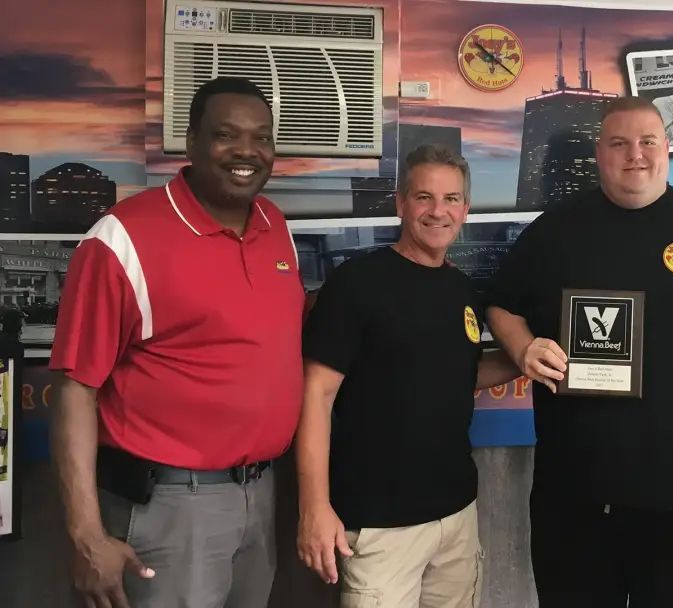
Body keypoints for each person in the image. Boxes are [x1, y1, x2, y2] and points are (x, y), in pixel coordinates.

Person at [486, 96, 673, 607]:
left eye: (648, 141)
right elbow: (500, 304)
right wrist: (522, 348)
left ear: (667, 150)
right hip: (576, 499)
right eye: (619, 143)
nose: (635, 155)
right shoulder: (556, 230)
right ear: (599, 153)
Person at [49, 76, 303, 607]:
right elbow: (76, 390)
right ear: (189, 142)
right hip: (170, 509)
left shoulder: (273, 226)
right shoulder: (122, 238)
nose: (246, 152)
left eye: (261, 137)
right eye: (226, 135)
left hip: (261, 494)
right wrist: (86, 535)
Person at [296, 144, 520, 608]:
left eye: (452, 199)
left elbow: (458, 372)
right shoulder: (357, 284)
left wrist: (530, 357)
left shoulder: (459, 287)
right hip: (380, 527)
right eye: (424, 197)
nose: (439, 211)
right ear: (401, 204)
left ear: (465, 208)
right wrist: (314, 507)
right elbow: (316, 394)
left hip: (456, 515)